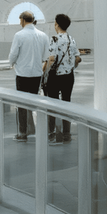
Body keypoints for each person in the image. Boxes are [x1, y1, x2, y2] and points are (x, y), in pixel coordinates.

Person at [6, 11, 50, 140]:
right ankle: (35, 129)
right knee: (34, 103)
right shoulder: (43, 35)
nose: (20, 22)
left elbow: (13, 54)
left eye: (20, 20)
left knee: (21, 104)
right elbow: (46, 56)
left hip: (22, 74)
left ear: (23, 20)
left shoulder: (19, 35)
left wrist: (11, 63)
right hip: (37, 74)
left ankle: (23, 132)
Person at [43, 12, 80, 141]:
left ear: (57, 24)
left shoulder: (54, 39)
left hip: (55, 77)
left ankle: (52, 132)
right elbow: (78, 58)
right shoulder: (71, 39)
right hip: (68, 77)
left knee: (52, 104)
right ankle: (66, 133)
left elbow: (51, 59)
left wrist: (45, 73)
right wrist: (70, 67)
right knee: (66, 102)